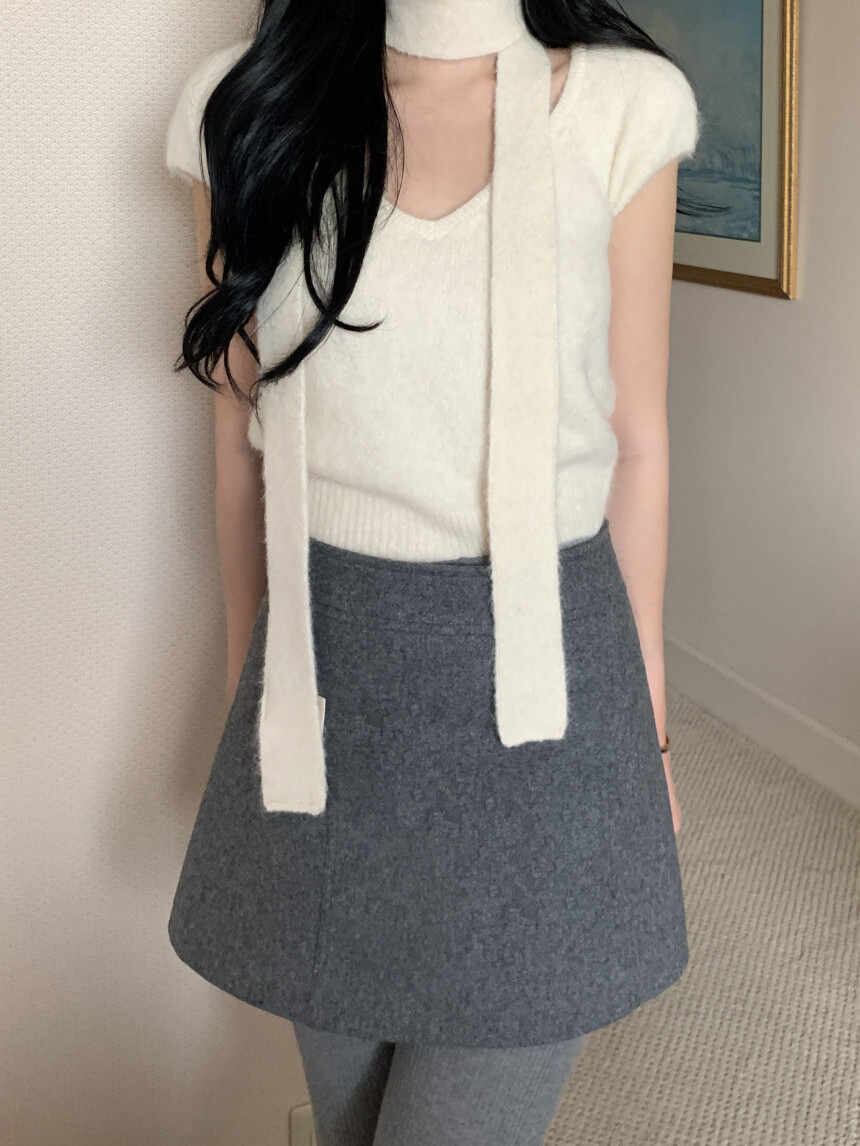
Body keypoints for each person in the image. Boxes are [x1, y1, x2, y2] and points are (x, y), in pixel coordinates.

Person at [163, 1, 700, 1142]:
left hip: (554, 713)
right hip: (326, 711)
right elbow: (236, 446)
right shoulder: (246, 107)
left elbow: (638, 442)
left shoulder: (624, 107)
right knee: (350, 1122)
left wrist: (650, 734)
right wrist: (248, 700)